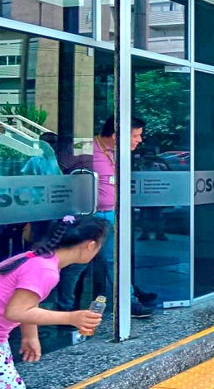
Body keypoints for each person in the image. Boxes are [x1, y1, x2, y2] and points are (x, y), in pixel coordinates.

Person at [0, 215, 110, 388]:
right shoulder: (44, 270)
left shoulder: (38, 258)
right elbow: (16, 311)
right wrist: (71, 318)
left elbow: (27, 303)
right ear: (90, 245)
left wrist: (30, 335)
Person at [55, 115, 154, 318]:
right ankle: (63, 308)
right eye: (136, 136)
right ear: (117, 135)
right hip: (89, 217)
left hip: (114, 214)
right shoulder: (84, 146)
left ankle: (130, 302)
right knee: (77, 264)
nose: (139, 140)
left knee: (115, 260)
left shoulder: (121, 153)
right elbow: (57, 173)